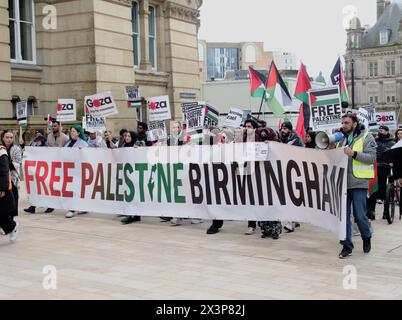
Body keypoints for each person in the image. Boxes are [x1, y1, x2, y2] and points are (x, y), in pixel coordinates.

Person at [337, 114, 377, 259]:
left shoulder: (367, 137)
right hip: (342, 184)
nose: (344, 125)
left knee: (360, 216)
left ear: (354, 124)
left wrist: (353, 153)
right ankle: (346, 245)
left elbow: (371, 158)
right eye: (342, 123)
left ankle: (366, 237)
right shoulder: (341, 139)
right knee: (344, 217)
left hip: (359, 182)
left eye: (347, 122)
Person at [257, 128, 283, 240]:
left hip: (273, 180)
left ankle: (275, 230)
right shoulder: (257, 145)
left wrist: (271, 146)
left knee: (273, 206)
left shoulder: (278, 146)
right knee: (262, 206)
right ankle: (265, 229)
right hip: (261, 179)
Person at [279, 121, 304, 232]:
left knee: (292, 197)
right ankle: (295, 219)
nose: (282, 131)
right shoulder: (280, 139)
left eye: (284, 129)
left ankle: (291, 222)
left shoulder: (297, 140)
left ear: (289, 129)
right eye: (281, 129)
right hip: (284, 170)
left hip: (295, 171)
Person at [367, 125, 395, 220]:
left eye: (381, 130)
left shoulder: (392, 143)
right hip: (375, 169)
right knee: (373, 192)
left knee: (387, 192)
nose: (379, 132)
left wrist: (392, 162)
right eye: (379, 130)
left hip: (387, 170)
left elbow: (395, 155)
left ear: (387, 132)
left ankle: (386, 212)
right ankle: (371, 212)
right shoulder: (374, 142)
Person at [120, 128, 146, 225]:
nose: (126, 137)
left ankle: (134, 215)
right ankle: (133, 214)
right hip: (127, 174)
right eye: (125, 136)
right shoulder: (124, 146)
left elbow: (144, 149)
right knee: (129, 194)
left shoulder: (138, 145)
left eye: (129, 136)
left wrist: (138, 148)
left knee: (135, 194)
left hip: (136, 174)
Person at [23, 134, 54, 214]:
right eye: (36, 141)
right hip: (36, 172)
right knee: (35, 190)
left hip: (45, 172)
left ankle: (50, 206)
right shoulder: (35, 149)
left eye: (39, 141)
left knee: (45, 190)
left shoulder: (47, 149)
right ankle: (33, 206)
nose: (37, 142)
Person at [64, 125, 89, 218]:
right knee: (71, 189)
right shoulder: (68, 143)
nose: (72, 133)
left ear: (78, 133)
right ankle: (79, 207)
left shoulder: (83, 143)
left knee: (76, 190)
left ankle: (72, 209)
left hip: (78, 171)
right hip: (69, 170)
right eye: (71, 131)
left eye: (74, 131)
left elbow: (86, 155)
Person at [1, 131, 22, 220]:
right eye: (7, 137)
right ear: (2, 138)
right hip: (2, 178)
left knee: (13, 199)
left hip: (13, 178)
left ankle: (12, 219)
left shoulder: (16, 149)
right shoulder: (1, 148)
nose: (9, 139)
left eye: (11, 137)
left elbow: (18, 163)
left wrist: (6, 163)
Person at [0, 145, 18, 242]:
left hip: (2, 187)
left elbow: (4, 171)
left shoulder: (1, 152)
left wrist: (2, 189)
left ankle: (12, 227)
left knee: (2, 213)